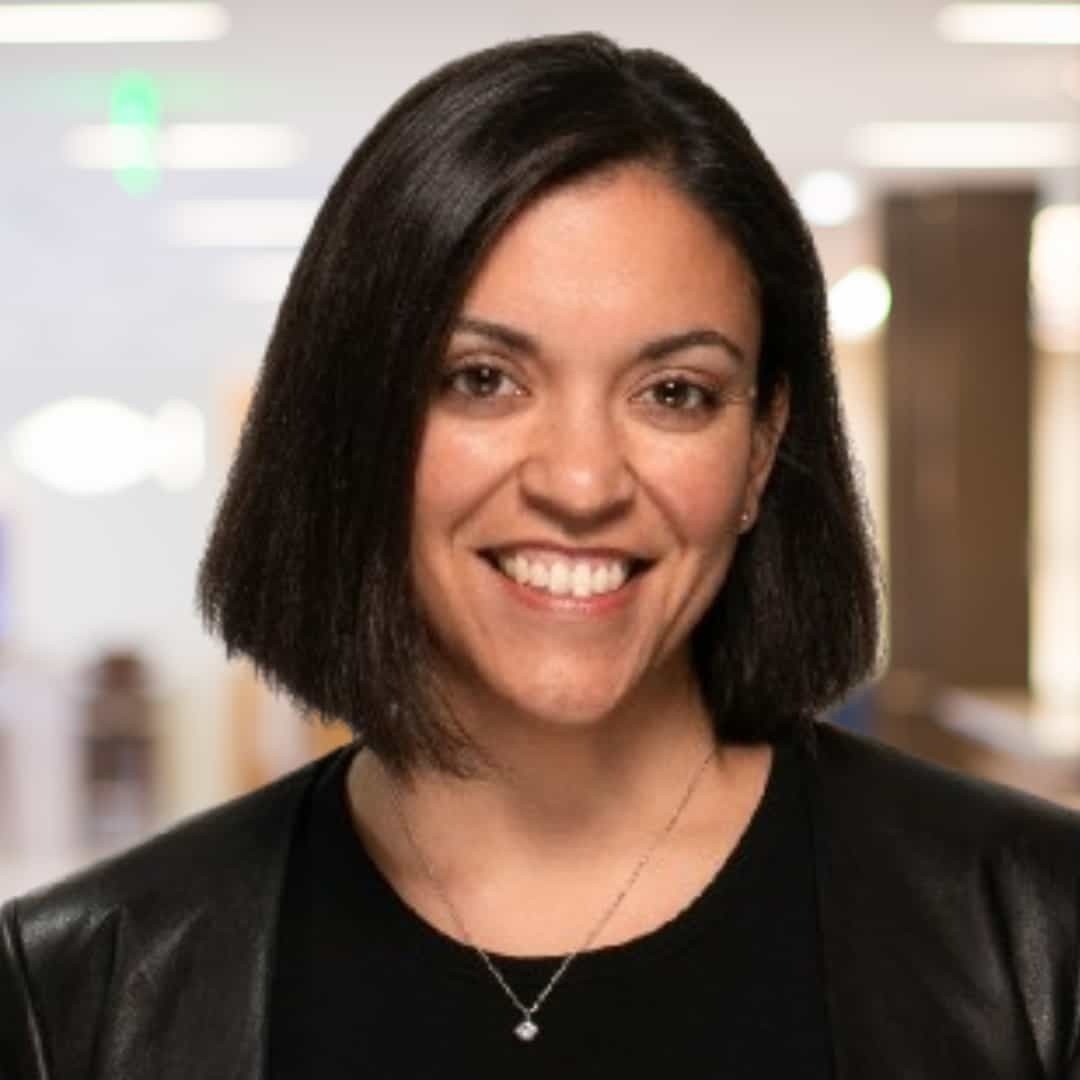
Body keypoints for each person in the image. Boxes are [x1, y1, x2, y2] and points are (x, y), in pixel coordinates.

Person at [2, 32, 1079, 1080]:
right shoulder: (79, 996)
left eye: (675, 393)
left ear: (760, 450)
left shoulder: (1042, 933)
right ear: (356, 423)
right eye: (482, 380)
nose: (581, 482)